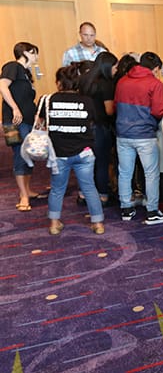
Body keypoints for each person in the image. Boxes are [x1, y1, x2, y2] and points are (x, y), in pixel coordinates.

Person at [42, 64, 105, 235]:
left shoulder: (48, 100)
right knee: (89, 188)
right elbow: (94, 121)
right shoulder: (87, 101)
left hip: (58, 153)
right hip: (84, 152)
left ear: (59, 83)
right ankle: (98, 224)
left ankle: (54, 224)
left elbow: (40, 123)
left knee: (57, 188)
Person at [114, 51, 163, 225]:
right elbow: (157, 110)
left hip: (123, 133)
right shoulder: (155, 84)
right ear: (155, 69)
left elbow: (117, 105)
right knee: (151, 173)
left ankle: (126, 208)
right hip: (145, 135)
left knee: (125, 172)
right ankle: (152, 211)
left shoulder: (122, 81)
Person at [0, 42, 42, 212]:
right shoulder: (13, 66)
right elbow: (3, 86)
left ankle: (28, 189)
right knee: (19, 153)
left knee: (28, 154)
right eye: (34, 53)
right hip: (15, 120)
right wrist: (15, 108)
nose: (36, 57)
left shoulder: (26, 73)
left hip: (28, 120)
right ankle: (23, 194)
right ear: (25, 52)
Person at [79, 51, 119, 206]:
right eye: (115, 67)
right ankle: (102, 195)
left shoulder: (84, 79)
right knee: (102, 162)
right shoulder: (106, 83)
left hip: (85, 126)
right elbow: (109, 110)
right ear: (108, 66)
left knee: (86, 163)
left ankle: (83, 194)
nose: (116, 70)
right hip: (100, 127)